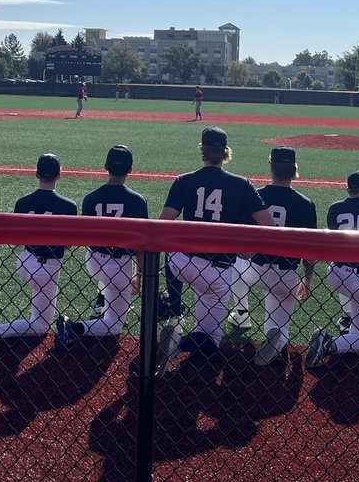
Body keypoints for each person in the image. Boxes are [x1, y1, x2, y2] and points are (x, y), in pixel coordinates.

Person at [155, 126, 275, 374]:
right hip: (216, 271)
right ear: (225, 152)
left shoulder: (184, 180)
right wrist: (251, 249)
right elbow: (269, 226)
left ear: (203, 151)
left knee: (170, 252)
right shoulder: (242, 184)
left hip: (182, 263)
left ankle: (175, 312)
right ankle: (178, 344)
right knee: (210, 339)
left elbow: (163, 222)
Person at [0, 154, 78, 349]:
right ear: (60, 174)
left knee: (38, 299)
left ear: (36, 174)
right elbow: (68, 245)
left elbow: (16, 239)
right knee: (41, 325)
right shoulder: (69, 205)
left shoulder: (23, 202)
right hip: (47, 268)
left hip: (25, 260)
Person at [54, 145, 149, 352]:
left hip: (94, 260)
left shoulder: (91, 198)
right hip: (120, 265)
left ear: (106, 166)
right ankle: (74, 328)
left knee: (108, 280)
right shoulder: (138, 201)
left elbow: (86, 236)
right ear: (130, 169)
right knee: (114, 326)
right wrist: (138, 276)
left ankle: (104, 301)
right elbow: (141, 245)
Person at [229, 146, 317, 366]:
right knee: (278, 326)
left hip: (253, 269)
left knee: (233, 261)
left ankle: (241, 313)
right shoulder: (306, 204)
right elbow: (309, 251)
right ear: (294, 169)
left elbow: (240, 237)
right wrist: (307, 279)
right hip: (286, 275)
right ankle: (278, 337)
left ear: (271, 167)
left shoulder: (255, 195)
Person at [306, 170, 359, 368]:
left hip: (337, 274)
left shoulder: (335, 208)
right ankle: (328, 343)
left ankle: (348, 317)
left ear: (348, 190)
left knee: (348, 281)